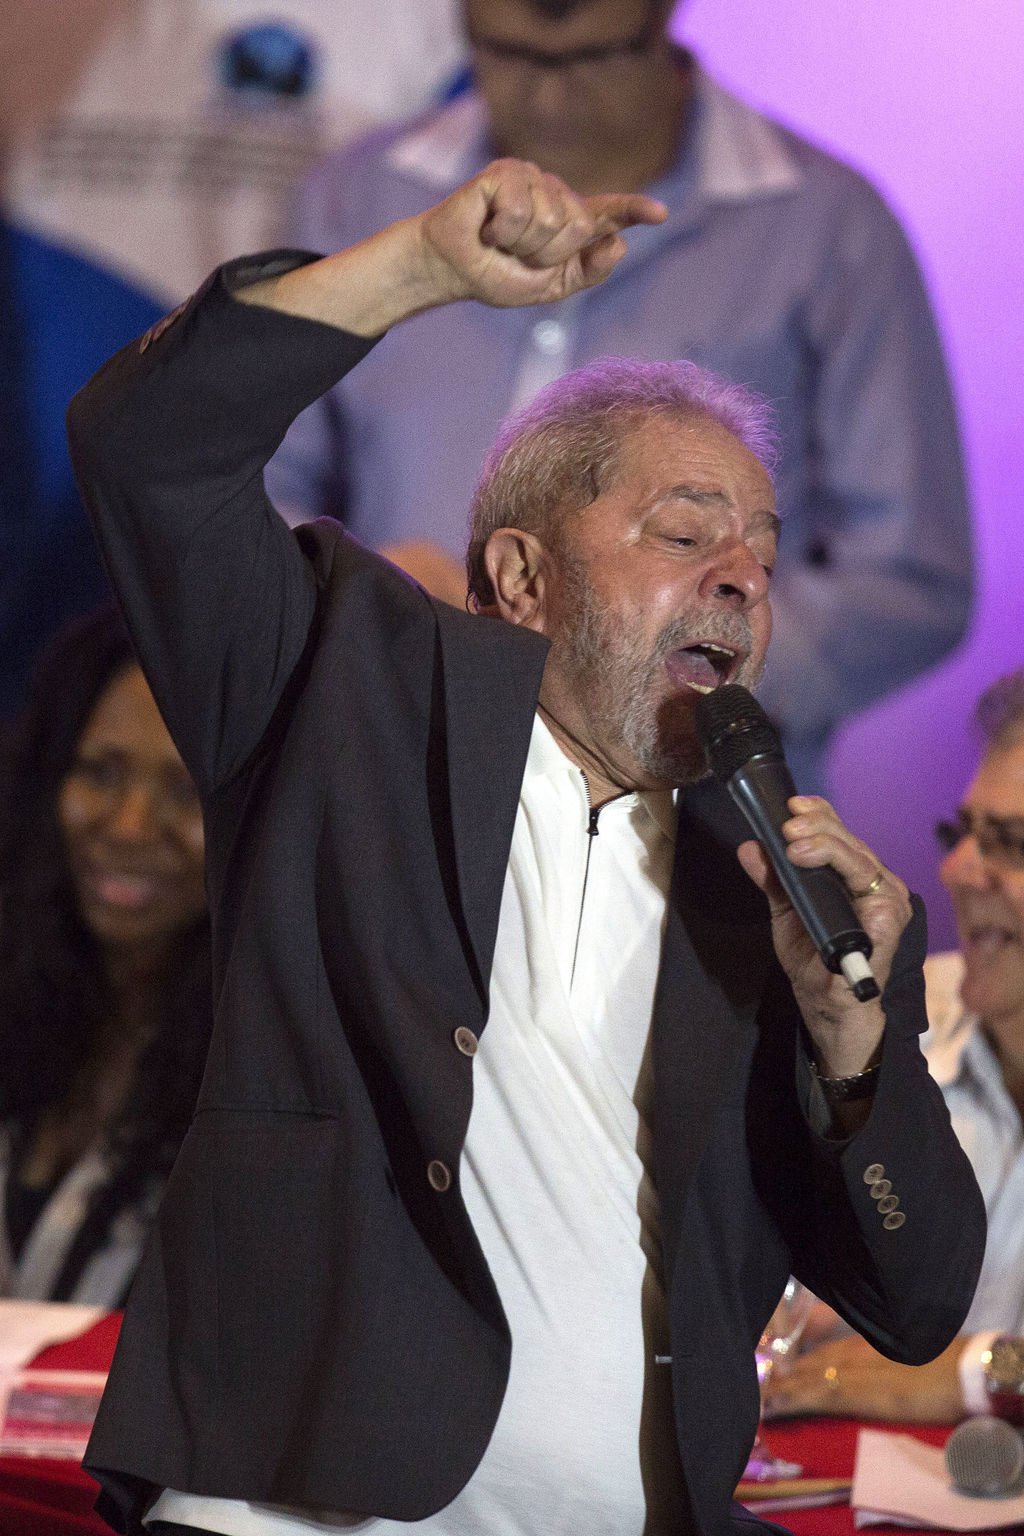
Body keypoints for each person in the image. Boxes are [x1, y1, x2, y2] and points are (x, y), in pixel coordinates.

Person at [66, 160, 984, 1536]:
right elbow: (148, 445)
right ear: (519, 579)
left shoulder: (787, 892)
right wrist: (419, 270)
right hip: (289, 1508)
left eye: (762, 551)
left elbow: (915, 1304)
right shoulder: (344, 699)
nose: (740, 575)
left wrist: (854, 1049)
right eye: (684, 532)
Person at [263, 0, 973, 793]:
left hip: (686, 801)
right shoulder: (356, 198)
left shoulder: (828, 227)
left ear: (664, 18)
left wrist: (655, 673)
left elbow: (910, 577)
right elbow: (260, 480)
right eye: (509, 55)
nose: (549, 96)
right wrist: (365, 607)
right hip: (391, 758)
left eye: (594, 57)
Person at [763, 668, 1024, 1426]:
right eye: (961, 832)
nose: (956, 869)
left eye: (1009, 844)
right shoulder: (880, 1022)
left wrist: (978, 1372)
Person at [0, 606, 211, 1307]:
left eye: (185, 791)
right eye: (101, 772)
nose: (129, 826)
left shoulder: (265, 1083)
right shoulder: (20, 995)